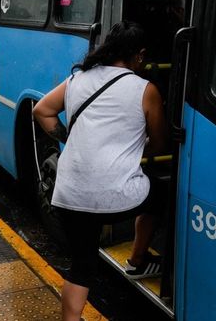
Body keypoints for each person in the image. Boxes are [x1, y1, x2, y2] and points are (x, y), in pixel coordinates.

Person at [33, 21, 167, 321]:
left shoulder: (77, 80)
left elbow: (41, 110)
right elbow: (159, 143)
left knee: (82, 264)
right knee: (160, 195)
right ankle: (137, 260)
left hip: (67, 195)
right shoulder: (146, 90)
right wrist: (132, 152)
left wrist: (67, 137)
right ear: (139, 55)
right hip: (115, 198)